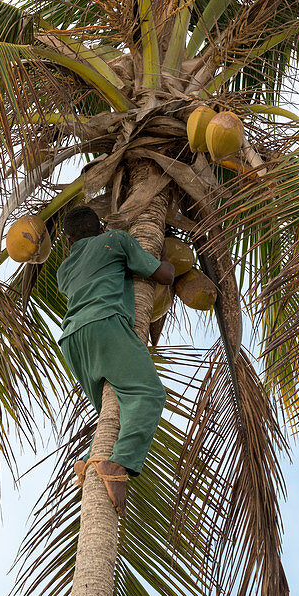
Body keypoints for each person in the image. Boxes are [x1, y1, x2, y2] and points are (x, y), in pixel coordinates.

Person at [56, 205, 175, 518]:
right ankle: (118, 463)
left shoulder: (64, 270)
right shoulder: (116, 241)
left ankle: (88, 457)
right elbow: (163, 275)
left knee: (116, 410)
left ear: (69, 241)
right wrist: (166, 258)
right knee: (148, 394)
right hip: (106, 325)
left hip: (72, 341)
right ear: (99, 228)